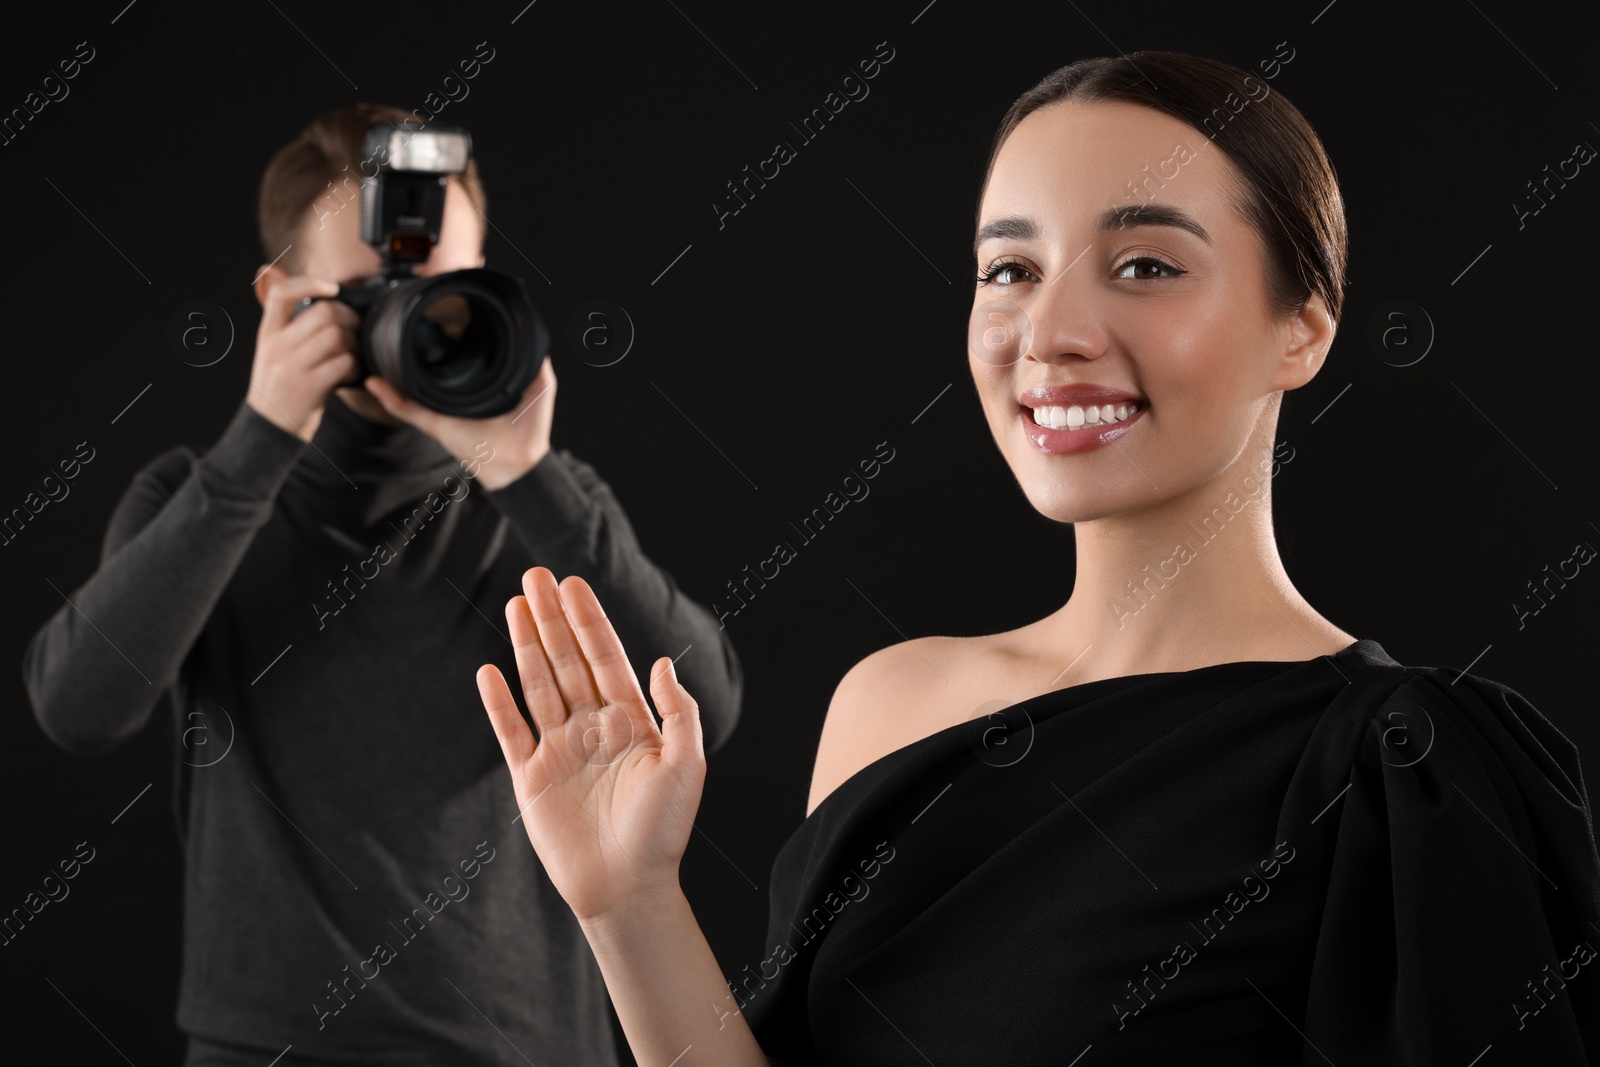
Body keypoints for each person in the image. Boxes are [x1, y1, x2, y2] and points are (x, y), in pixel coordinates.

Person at [471, 52, 1600, 1066]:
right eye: (1010, 270)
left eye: (1147, 265)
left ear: (1301, 325)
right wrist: (628, 902)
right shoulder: (889, 703)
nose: (1050, 331)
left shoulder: (1405, 775)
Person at [22, 101, 743, 1066]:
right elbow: (77, 706)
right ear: (282, 299)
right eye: (371, 293)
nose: (416, 317)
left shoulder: (534, 506)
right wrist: (256, 447)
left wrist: (523, 472)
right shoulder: (198, 500)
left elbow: (707, 707)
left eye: (444, 288)